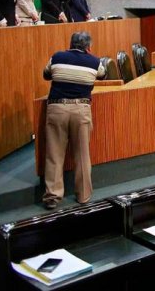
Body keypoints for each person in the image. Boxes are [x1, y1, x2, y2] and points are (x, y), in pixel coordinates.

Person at [42, 31, 106, 209]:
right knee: (82, 154)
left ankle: (52, 197)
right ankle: (83, 195)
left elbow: (46, 74)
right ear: (88, 47)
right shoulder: (94, 61)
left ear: (70, 44)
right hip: (81, 109)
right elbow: (103, 75)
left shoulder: (57, 57)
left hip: (57, 108)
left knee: (54, 154)